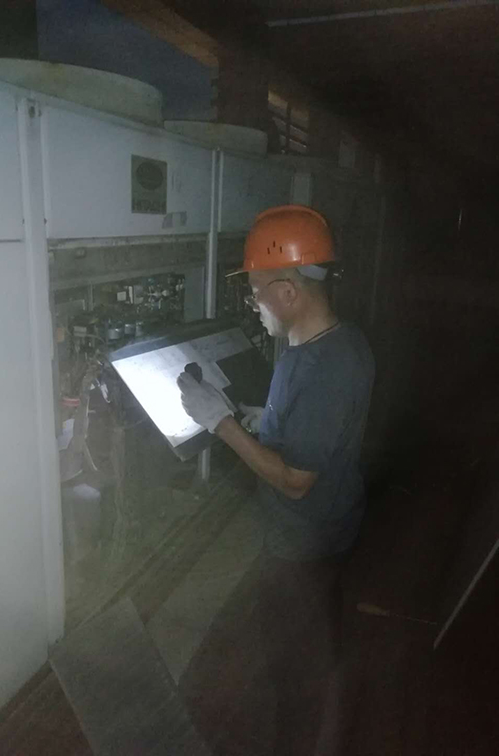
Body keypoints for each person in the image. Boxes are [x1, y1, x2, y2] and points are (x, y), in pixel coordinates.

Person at [177, 205, 375, 756]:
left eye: (255, 292)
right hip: (330, 526)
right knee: (312, 649)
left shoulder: (326, 367)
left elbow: (294, 480)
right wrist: (262, 420)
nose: (253, 303)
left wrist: (218, 422)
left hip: (305, 544)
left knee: (294, 670)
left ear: (288, 291)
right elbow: (312, 427)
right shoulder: (326, 344)